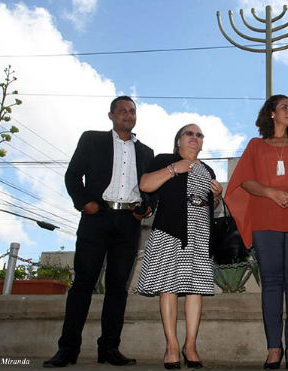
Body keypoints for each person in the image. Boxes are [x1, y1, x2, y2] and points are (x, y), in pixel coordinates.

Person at [44, 96, 155, 368]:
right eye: (122, 111)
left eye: (132, 111)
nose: (128, 115)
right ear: (111, 115)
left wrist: (147, 208)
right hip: (97, 218)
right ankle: (67, 350)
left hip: (128, 222)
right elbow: (72, 175)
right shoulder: (92, 139)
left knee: (118, 287)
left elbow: (150, 188)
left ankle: (109, 349)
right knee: (83, 283)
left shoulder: (146, 152)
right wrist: (84, 203)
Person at [224, 94, 288, 370]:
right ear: (271, 113)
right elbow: (244, 180)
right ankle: (273, 348)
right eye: (284, 107)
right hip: (265, 219)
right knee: (270, 282)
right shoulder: (256, 146)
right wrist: (271, 192)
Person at [136, 124, 222, 370]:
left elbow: (208, 206)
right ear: (178, 142)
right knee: (168, 287)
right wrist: (174, 169)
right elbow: (145, 185)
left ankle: (190, 345)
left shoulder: (208, 169)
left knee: (196, 290)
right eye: (189, 134)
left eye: (199, 135)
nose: (195, 138)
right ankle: (172, 346)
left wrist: (217, 197)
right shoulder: (165, 160)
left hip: (200, 236)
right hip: (169, 232)